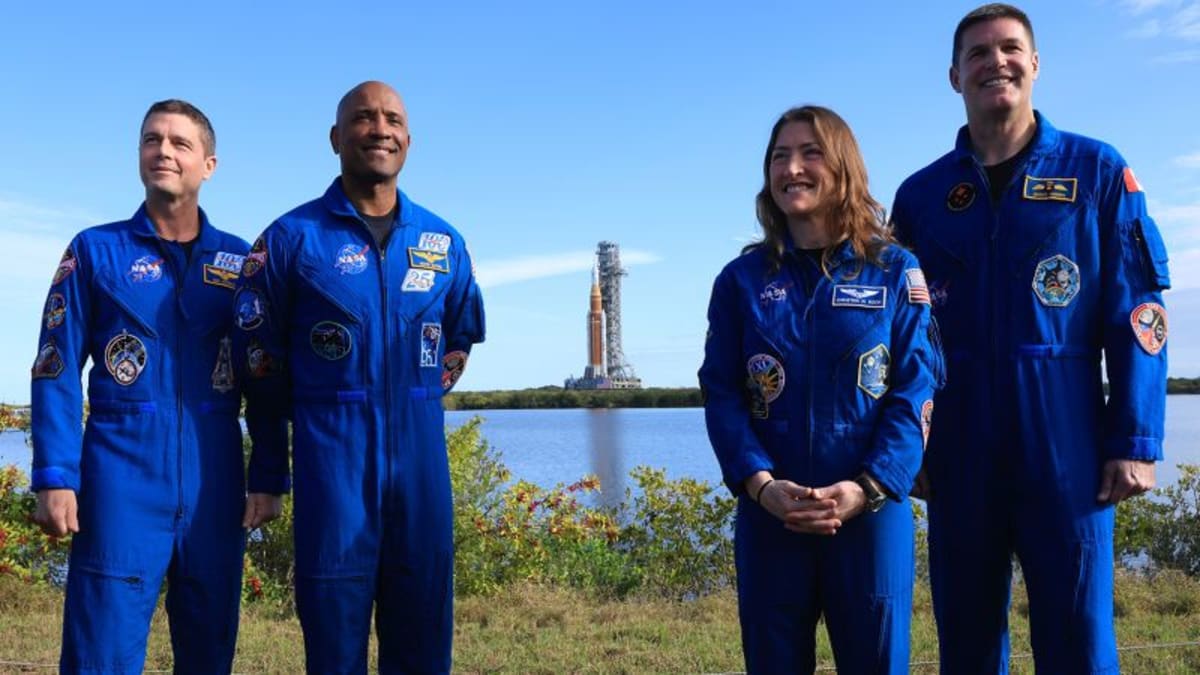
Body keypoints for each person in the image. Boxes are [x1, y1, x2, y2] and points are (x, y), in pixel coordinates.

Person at [890, 4, 1171, 672]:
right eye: (978, 54)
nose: (997, 62)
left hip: (1066, 439)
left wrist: (1134, 438)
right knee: (966, 637)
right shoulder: (921, 197)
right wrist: (908, 444)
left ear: (1036, 64)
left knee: (1078, 636)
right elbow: (897, 335)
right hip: (958, 443)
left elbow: (1139, 313)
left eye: (1011, 48)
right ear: (954, 76)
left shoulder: (1098, 173)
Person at [235, 80, 486, 674]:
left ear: (408, 140)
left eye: (393, 119)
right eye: (364, 118)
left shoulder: (442, 241)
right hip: (333, 476)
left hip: (421, 476)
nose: (380, 129)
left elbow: (460, 335)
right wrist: (271, 468)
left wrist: (411, 398)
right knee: (334, 651)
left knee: (424, 648)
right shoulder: (289, 240)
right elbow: (257, 360)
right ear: (335, 137)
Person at [29, 99, 277, 674]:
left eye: (179, 143)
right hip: (121, 483)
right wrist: (56, 475)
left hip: (216, 481)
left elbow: (263, 374)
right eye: (150, 140)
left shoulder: (241, 262)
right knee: (101, 654)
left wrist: (268, 474)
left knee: (209, 651)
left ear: (208, 165)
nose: (163, 151)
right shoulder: (95, 251)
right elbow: (55, 367)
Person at [699, 105, 943, 674]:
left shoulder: (894, 270)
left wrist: (868, 487)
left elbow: (917, 387)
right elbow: (722, 393)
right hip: (771, 516)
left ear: (843, 166)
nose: (793, 168)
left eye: (810, 153)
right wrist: (760, 485)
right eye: (779, 156)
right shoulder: (741, 280)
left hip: (868, 513)